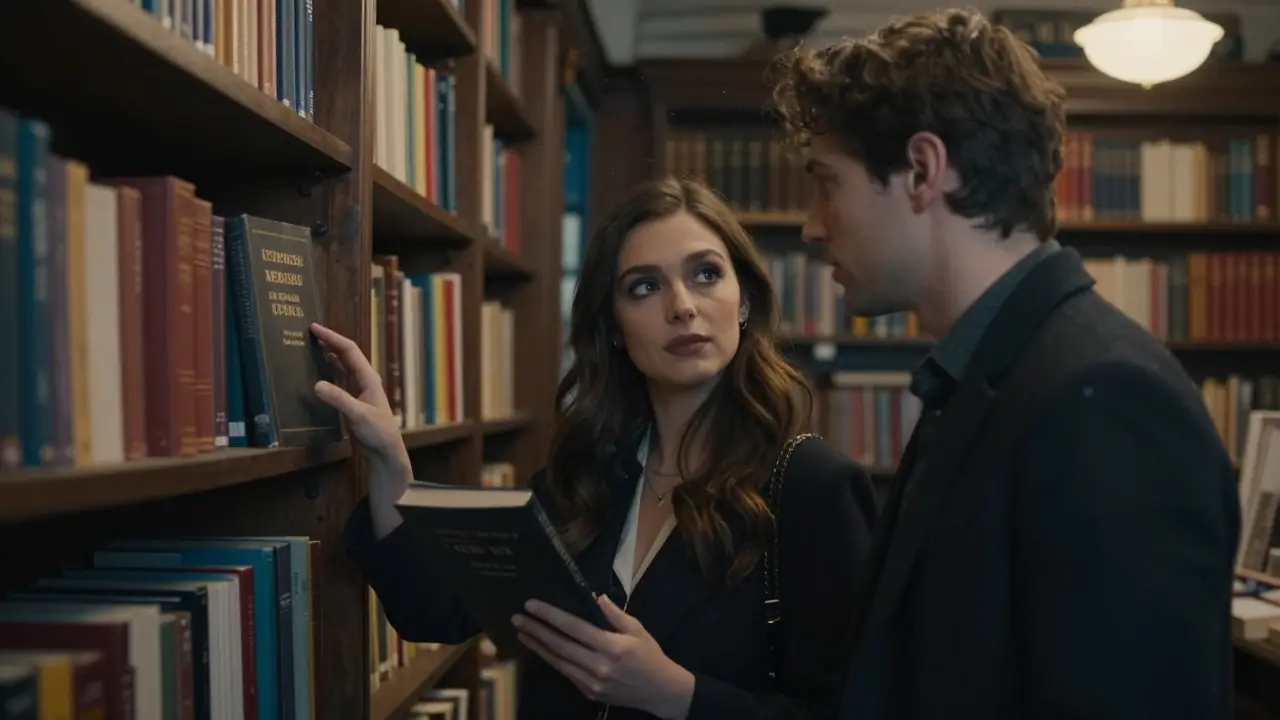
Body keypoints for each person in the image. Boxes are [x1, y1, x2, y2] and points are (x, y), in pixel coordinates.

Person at [767, 8, 1240, 719]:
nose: (811, 223)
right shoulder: (990, 370)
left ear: (922, 170)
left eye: (826, 180)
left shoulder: (1105, 398)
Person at [317, 177, 879, 719]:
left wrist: (678, 695)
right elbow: (435, 612)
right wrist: (391, 462)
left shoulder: (815, 486)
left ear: (746, 301)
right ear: (612, 324)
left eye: (706, 274)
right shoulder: (584, 476)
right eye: (645, 286)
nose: (682, 306)